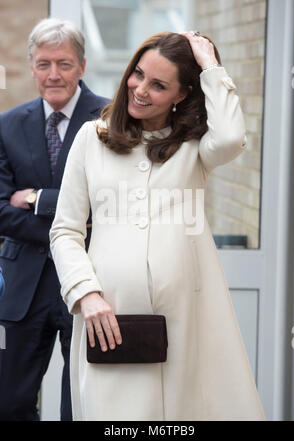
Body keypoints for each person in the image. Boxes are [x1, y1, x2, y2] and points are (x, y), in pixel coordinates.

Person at [50, 31, 265, 421]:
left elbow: (232, 138)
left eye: (159, 85)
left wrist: (210, 66)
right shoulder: (90, 139)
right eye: (138, 74)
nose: (141, 89)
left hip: (186, 319)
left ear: (183, 94)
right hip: (110, 319)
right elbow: (65, 230)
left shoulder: (195, 147)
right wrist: (86, 294)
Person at [0, 18, 109, 421]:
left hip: (87, 282)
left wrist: (36, 199)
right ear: (31, 66)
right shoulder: (8, 124)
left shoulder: (111, 120)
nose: (53, 75)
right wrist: (68, 225)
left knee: (79, 405)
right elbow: (0, 210)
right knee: (8, 402)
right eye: (44, 64)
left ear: (81, 66)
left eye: (64, 64)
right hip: (23, 288)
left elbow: (110, 203)